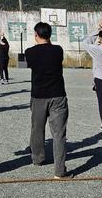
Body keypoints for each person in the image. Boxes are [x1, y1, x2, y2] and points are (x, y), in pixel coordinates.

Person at [24, 22, 72, 179]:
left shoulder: (29, 52)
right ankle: (59, 171)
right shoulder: (58, 50)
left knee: (37, 129)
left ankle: (38, 158)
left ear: (36, 35)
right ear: (50, 35)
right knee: (59, 133)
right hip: (57, 95)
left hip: (38, 96)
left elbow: (32, 62)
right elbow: (49, 48)